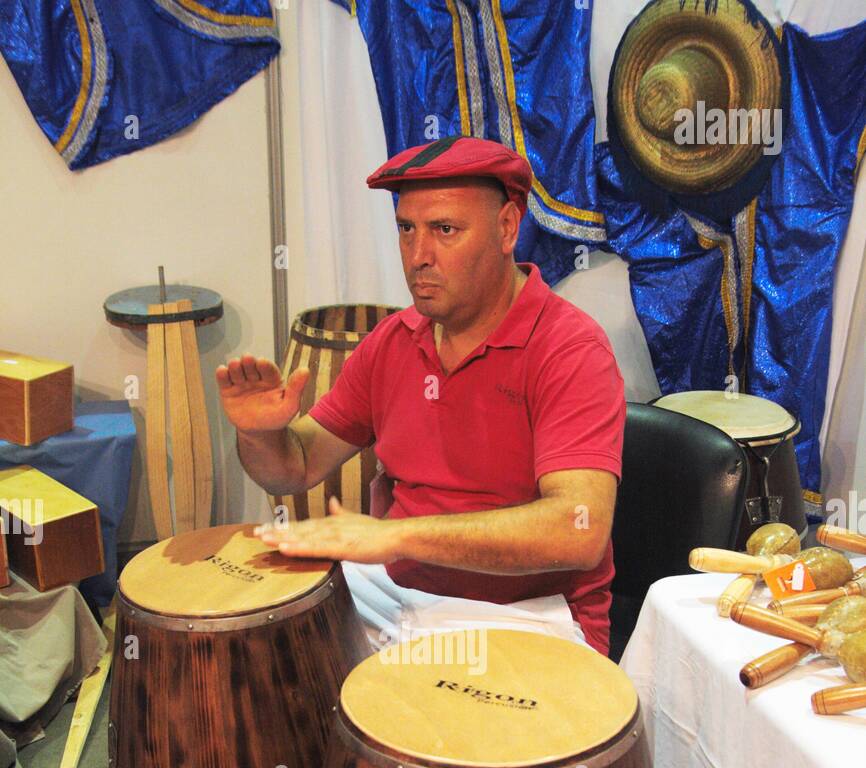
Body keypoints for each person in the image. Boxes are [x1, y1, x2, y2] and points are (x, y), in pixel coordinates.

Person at [216, 136, 626, 656]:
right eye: (406, 229)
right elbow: (294, 466)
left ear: (507, 228)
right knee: (258, 651)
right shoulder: (394, 340)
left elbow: (577, 530)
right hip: (399, 595)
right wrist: (259, 434)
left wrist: (397, 536)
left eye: (445, 230)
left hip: (530, 614)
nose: (418, 257)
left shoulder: (570, 349)